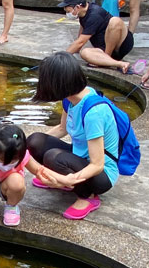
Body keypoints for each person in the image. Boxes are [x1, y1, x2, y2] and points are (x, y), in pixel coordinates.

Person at [26, 52, 122, 220]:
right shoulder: (70, 99)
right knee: (35, 141)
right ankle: (65, 179)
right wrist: (24, 150)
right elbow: (62, 128)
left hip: (103, 173)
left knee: (53, 157)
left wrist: (67, 179)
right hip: (80, 157)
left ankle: (88, 197)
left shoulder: (94, 112)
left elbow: (98, 165)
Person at [57, 0, 133, 72]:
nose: (68, 14)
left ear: (77, 7)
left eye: (68, 11)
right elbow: (82, 32)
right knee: (85, 53)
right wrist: (76, 50)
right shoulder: (83, 13)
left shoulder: (94, 14)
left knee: (115, 21)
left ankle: (106, 58)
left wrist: (61, 58)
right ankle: (119, 64)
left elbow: (81, 42)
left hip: (121, 44)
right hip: (102, 48)